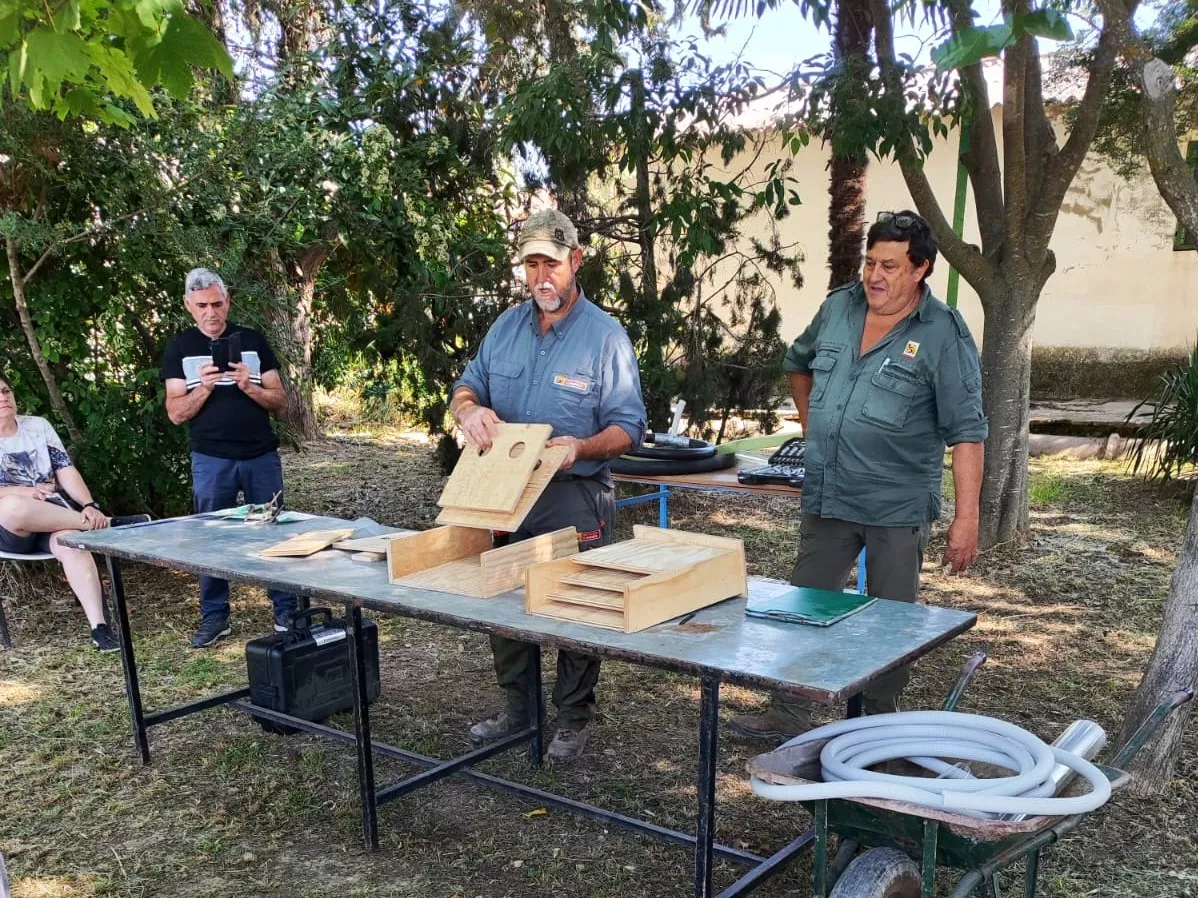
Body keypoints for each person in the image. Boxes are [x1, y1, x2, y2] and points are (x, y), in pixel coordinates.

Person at [729, 210, 988, 740]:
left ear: (921, 269)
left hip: (896, 501)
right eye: (870, 262)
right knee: (803, 602)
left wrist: (968, 518)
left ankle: (876, 725)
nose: (875, 275)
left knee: (891, 622)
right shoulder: (840, 307)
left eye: (890, 266)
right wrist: (812, 423)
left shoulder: (943, 333)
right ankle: (788, 711)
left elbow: (967, 430)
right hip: (829, 491)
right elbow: (797, 362)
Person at [449, 209, 647, 763]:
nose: (541, 277)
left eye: (552, 264)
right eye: (531, 264)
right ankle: (519, 709)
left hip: (573, 492)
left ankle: (572, 716)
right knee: (505, 594)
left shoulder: (605, 337)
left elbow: (628, 427)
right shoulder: (504, 328)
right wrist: (469, 412)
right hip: (505, 492)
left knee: (578, 605)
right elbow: (468, 387)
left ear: (576, 261)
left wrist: (578, 448)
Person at [161, 267, 297, 648]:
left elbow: (282, 402)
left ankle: (287, 609)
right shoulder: (179, 348)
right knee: (209, 537)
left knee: (274, 529)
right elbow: (175, 413)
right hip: (211, 458)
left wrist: (248, 385)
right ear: (189, 306)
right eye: (202, 305)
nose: (211, 313)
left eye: (217, 304)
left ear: (228, 302)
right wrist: (203, 388)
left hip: (259, 454)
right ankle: (215, 615)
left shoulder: (252, 341)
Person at [0, 373, 149, 651]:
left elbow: (65, 470)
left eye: (6, 391)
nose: (3, 398)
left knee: (72, 543)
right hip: (9, 529)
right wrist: (23, 491)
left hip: (53, 516)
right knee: (13, 507)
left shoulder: (37, 426)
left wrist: (89, 505)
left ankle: (100, 628)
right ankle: (107, 525)